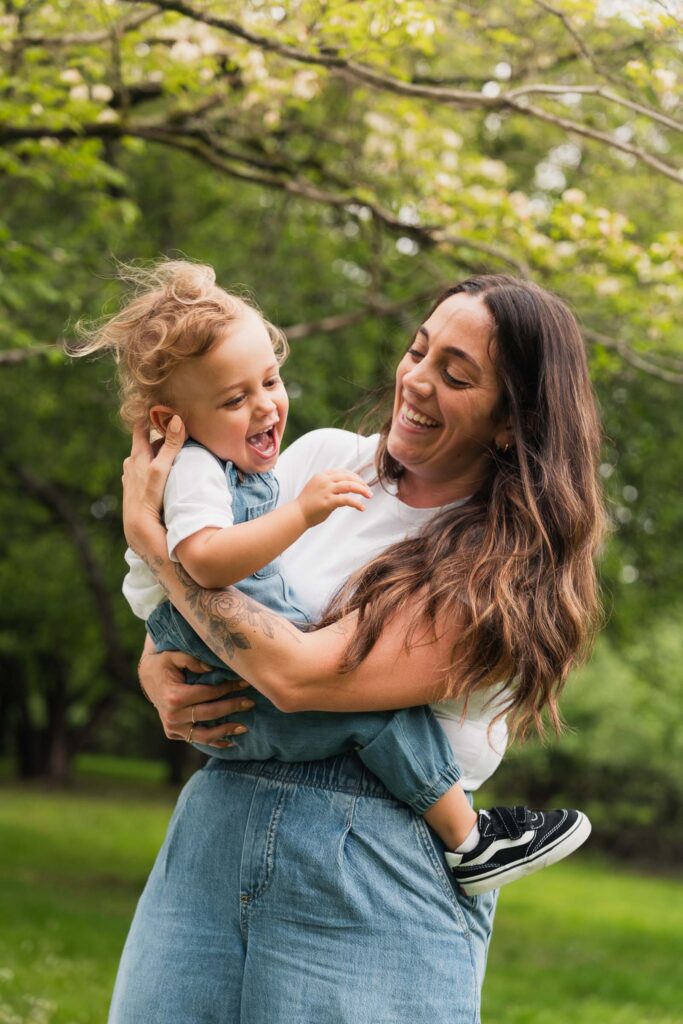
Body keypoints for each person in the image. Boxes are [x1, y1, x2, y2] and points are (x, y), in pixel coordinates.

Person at [113, 272, 605, 1023]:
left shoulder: (502, 566)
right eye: (418, 351)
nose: (416, 381)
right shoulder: (321, 461)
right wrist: (159, 671)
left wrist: (156, 552)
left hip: (372, 870)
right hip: (214, 834)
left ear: (511, 422)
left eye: (455, 373)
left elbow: (296, 674)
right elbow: (222, 607)